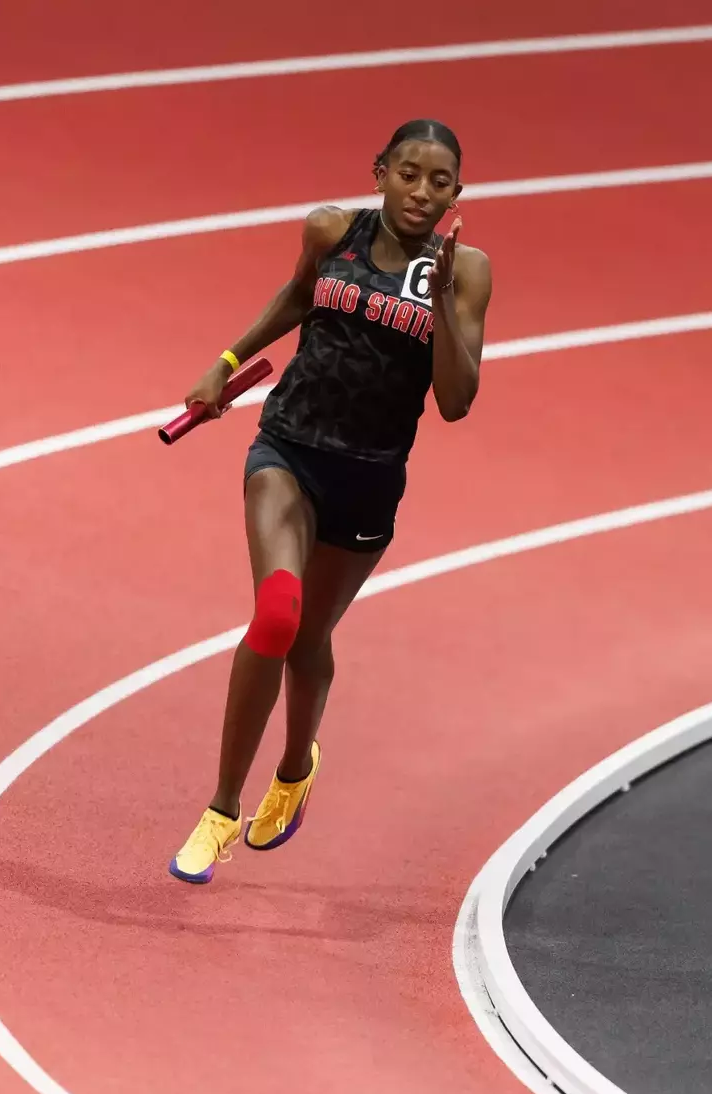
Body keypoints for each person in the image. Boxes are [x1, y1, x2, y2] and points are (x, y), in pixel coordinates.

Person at [168, 118, 493, 884]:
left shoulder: (467, 271)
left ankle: (293, 769)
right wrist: (226, 362)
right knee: (276, 616)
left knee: (309, 641)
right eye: (408, 173)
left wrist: (443, 298)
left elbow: (455, 399)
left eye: (439, 181)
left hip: (370, 476)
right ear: (380, 171)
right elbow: (297, 296)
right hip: (287, 447)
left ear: (458, 194)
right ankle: (218, 811)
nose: (422, 192)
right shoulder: (331, 229)